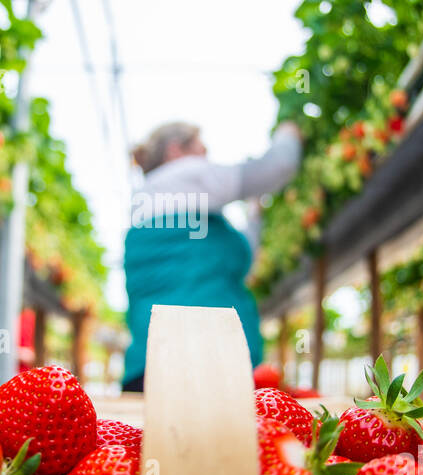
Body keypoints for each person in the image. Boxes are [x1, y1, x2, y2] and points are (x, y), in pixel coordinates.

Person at [122, 120, 302, 392]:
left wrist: (255, 213)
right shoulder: (183, 174)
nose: (207, 159)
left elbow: (240, 256)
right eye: (201, 149)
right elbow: (279, 166)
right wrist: (289, 133)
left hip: (151, 369)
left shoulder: (153, 203)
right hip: (209, 370)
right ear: (174, 151)